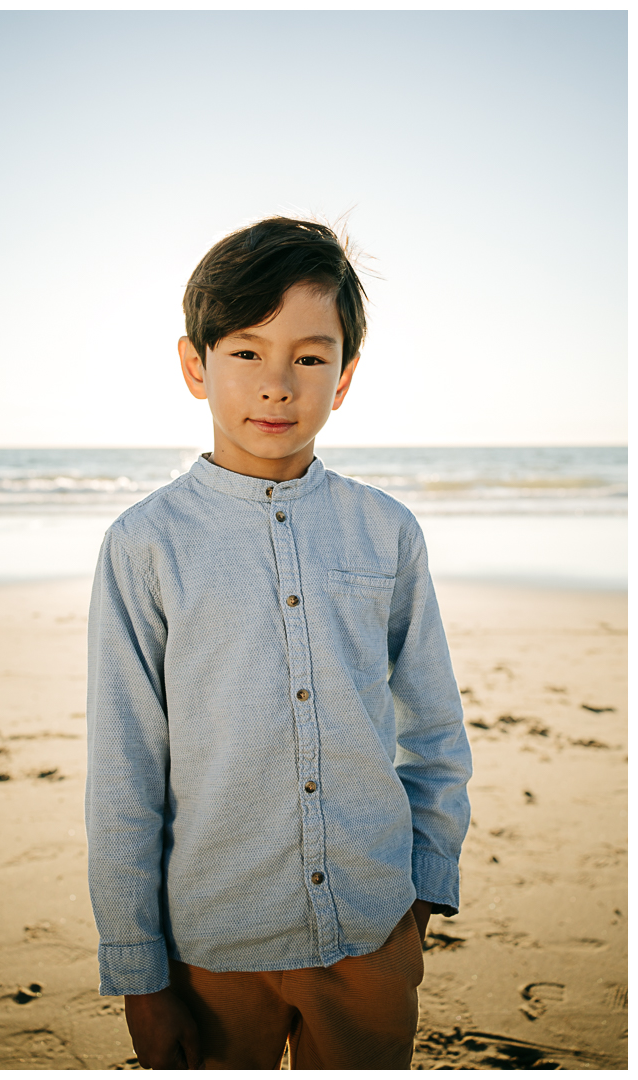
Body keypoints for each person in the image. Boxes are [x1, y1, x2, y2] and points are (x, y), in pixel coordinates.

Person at [85, 216, 472, 1070]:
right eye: (247, 352)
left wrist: (423, 888)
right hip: (213, 948)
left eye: (309, 356)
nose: (277, 385)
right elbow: (124, 771)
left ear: (344, 378)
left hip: (374, 933)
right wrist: (140, 971)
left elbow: (434, 723)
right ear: (196, 366)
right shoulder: (146, 545)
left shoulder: (387, 532)